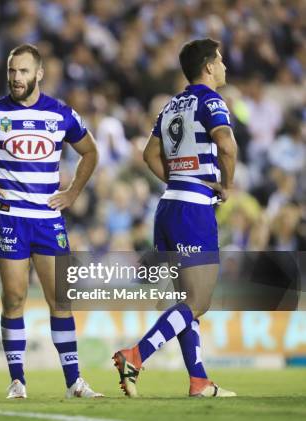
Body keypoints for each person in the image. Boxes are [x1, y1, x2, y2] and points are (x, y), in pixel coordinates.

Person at [0, 44, 102, 399]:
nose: (16, 78)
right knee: (13, 299)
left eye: (24, 72)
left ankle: (75, 382)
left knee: (61, 300)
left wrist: (73, 192)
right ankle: (18, 381)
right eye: (12, 71)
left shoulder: (61, 114)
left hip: (47, 219)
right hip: (9, 219)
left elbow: (90, 151)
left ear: (39, 74)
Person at [112, 38, 238, 398]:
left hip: (167, 206)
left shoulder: (170, 105)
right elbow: (226, 145)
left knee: (187, 304)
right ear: (209, 66)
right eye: (222, 60)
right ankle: (135, 354)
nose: (225, 67)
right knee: (199, 301)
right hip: (193, 209)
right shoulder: (211, 100)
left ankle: (199, 381)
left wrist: (176, 179)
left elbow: (149, 154)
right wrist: (226, 186)